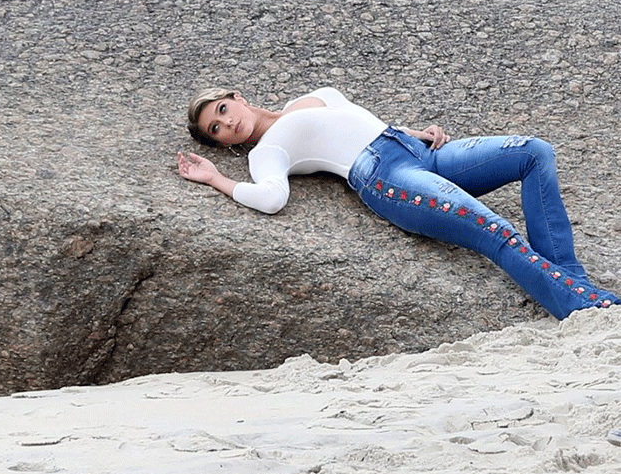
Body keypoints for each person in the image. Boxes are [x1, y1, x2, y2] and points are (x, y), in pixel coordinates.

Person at [177, 86, 620, 321]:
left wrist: (412, 132)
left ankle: (570, 280)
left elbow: (356, 119)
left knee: (533, 151)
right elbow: (272, 198)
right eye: (215, 130)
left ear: (235, 97)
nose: (226, 123)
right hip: (388, 179)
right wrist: (217, 179)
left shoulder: (311, 97)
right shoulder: (266, 151)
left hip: (418, 153)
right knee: (492, 229)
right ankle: (581, 304)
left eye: (220, 110)